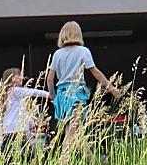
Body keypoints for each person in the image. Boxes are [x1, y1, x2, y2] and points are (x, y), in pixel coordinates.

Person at [46, 21, 120, 150]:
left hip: (62, 95)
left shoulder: (57, 54)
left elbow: (49, 79)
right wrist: (112, 89)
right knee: (71, 133)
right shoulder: (83, 51)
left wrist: (53, 97)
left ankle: (92, 161)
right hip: (76, 94)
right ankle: (62, 162)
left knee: (76, 131)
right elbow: (95, 72)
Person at [0, 67, 49, 154]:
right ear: (11, 78)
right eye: (19, 75)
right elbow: (34, 92)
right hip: (16, 127)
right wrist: (49, 94)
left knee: (7, 149)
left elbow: (23, 111)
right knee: (25, 150)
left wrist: (31, 124)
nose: (21, 77)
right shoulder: (16, 90)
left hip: (9, 127)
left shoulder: (8, 92)